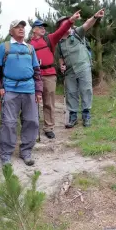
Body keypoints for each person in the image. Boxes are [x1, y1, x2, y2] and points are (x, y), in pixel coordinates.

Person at [0, 20, 43, 166]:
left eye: (23, 27)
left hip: (29, 89)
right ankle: (6, 154)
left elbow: (37, 72)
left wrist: (38, 90)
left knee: (32, 121)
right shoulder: (4, 47)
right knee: (8, 123)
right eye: (17, 27)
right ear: (11, 31)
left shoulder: (30, 48)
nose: (21, 29)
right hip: (10, 89)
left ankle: (26, 152)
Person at [28, 10, 81, 139]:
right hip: (34, 76)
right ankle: (32, 128)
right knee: (31, 103)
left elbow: (61, 31)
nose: (43, 29)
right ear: (34, 30)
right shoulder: (28, 45)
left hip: (49, 75)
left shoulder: (49, 39)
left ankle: (49, 127)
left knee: (49, 102)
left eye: (44, 27)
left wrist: (71, 20)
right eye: (40, 27)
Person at [56, 9, 105, 128]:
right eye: (64, 23)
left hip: (83, 67)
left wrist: (95, 16)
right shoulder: (59, 42)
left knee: (86, 90)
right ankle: (73, 116)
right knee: (71, 92)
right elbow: (60, 57)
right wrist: (61, 65)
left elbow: (87, 24)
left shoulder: (77, 33)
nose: (68, 24)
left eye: (68, 22)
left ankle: (86, 115)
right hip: (69, 71)